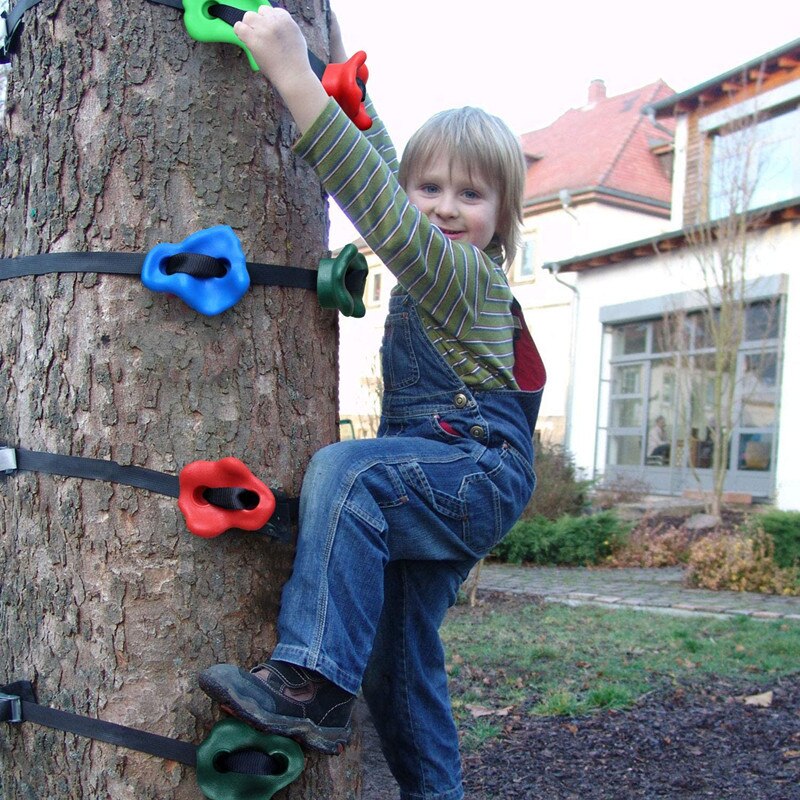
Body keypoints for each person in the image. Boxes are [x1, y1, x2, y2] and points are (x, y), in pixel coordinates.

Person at [199, 8, 546, 799]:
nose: (445, 208)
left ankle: (311, 686)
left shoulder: (465, 274)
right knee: (397, 662)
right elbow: (395, 188)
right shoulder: (438, 248)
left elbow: (387, 211)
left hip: (471, 471)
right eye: (433, 188)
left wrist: (291, 73)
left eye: (472, 195)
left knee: (348, 474)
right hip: (448, 477)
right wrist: (362, 110)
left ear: (502, 218)